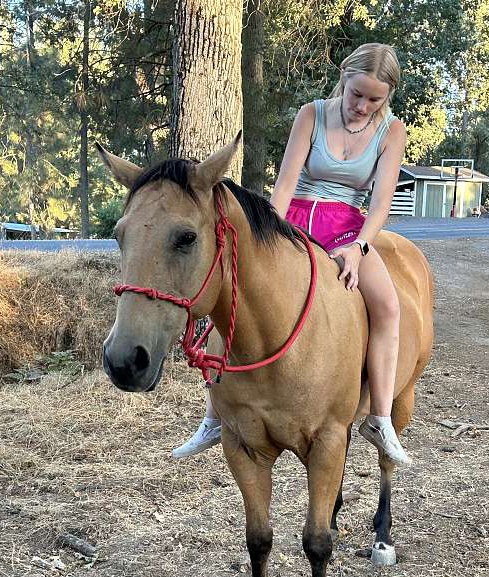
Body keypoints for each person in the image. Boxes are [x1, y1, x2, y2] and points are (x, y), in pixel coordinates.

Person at [172, 42, 410, 467]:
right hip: (295, 218)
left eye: (376, 98)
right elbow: (283, 186)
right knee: (236, 291)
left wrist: (358, 249)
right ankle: (215, 415)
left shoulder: (391, 131)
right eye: (357, 94)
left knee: (388, 307)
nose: (363, 105)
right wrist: (270, 238)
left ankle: (380, 417)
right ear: (344, 78)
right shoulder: (312, 114)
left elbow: (380, 206)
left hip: (349, 228)